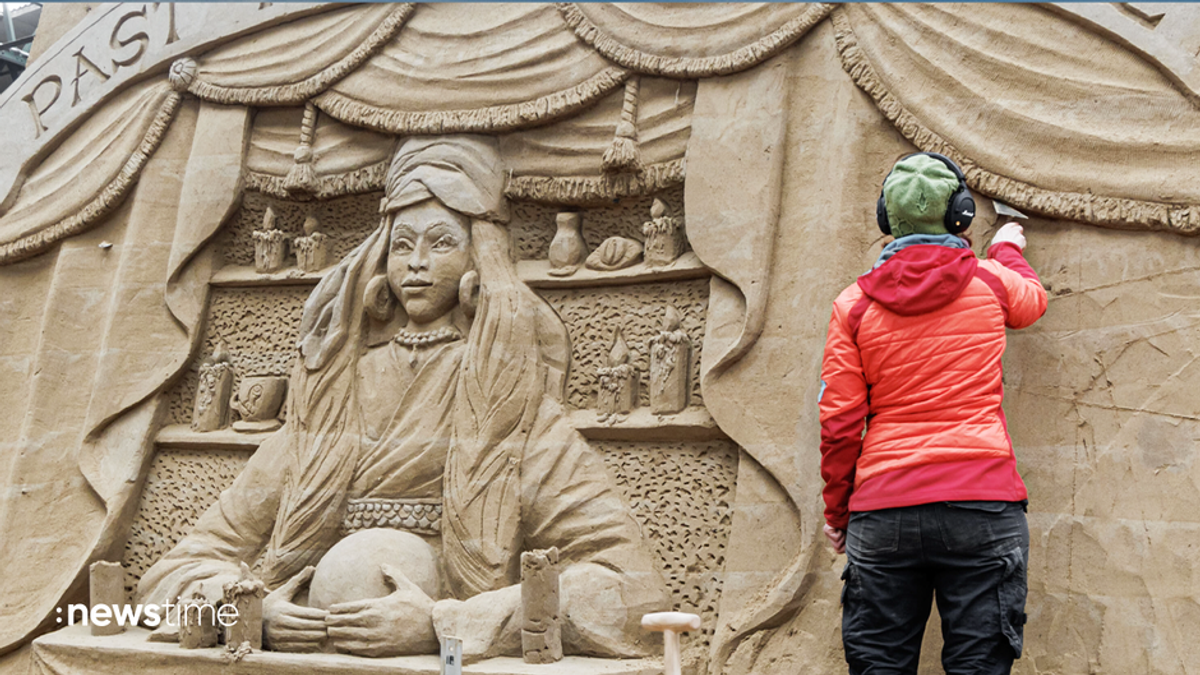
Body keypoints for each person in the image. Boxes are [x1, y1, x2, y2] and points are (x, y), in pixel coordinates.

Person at [137, 135, 668, 659]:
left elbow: (631, 594)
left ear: (477, 260)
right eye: (401, 245)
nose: (416, 262)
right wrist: (251, 610)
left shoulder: (512, 409)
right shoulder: (330, 401)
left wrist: (447, 622)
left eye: (440, 242)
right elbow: (174, 572)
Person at [818, 153, 1048, 674]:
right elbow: (1031, 302)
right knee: (978, 665)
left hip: (883, 510)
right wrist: (1008, 248)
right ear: (961, 215)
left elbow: (839, 424)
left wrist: (838, 514)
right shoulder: (991, 282)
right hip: (983, 503)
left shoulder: (852, 305)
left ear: (885, 219)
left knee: (878, 664)